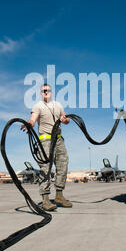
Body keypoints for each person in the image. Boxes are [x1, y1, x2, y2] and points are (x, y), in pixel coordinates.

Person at [21, 83, 72, 211]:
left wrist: (64, 119)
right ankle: (45, 200)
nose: (45, 92)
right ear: (40, 93)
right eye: (43, 90)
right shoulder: (38, 106)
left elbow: (67, 120)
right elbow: (33, 119)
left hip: (59, 140)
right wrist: (28, 125)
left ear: (51, 92)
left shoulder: (58, 105)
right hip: (45, 141)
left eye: (47, 90)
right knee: (45, 168)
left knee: (63, 165)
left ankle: (59, 196)